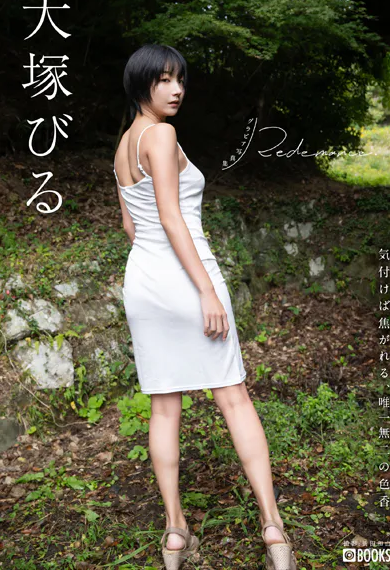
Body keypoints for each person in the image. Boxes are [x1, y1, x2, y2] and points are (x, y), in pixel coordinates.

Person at [113, 44, 297, 570]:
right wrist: (206, 290)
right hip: (188, 278)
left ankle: (175, 533)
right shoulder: (162, 135)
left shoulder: (123, 145)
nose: (177, 90)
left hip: (144, 282)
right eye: (164, 80)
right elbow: (172, 217)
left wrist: (164, 273)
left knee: (163, 407)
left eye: (180, 80)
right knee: (233, 397)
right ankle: (273, 528)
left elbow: (132, 227)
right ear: (141, 84)